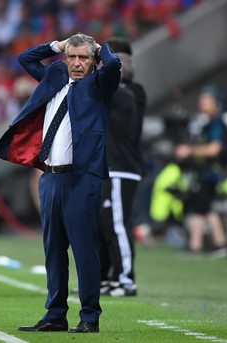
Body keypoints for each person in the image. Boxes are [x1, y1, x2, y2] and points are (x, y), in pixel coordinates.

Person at [0, 33, 121, 333]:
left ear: (93, 61)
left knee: (84, 251)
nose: (76, 63)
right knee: (53, 251)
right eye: (72, 57)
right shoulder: (54, 75)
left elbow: (114, 63)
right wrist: (58, 45)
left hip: (82, 179)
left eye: (83, 58)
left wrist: (98, 45)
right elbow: (25, 58)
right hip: (50, 178)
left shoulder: (100, 84)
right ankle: (55, 315)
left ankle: (90, 317)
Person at [96, 52, 145, 298]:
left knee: (117, 224)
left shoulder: (123, 95)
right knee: (108, 223)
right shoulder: (116, 95)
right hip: (113, 168)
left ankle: (126, 279)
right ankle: (114, 277)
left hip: (120, 169)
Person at [175, 87, 227, 258]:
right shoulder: (206, 123)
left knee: (197, 209)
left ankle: (195, 246)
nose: (202, 103)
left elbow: (214, 149)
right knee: (207, 209)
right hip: (206, 173)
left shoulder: (216, 124)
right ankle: (220, 245)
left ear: (216, 103)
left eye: (206, 100)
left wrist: (189, 150)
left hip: (208, 173)